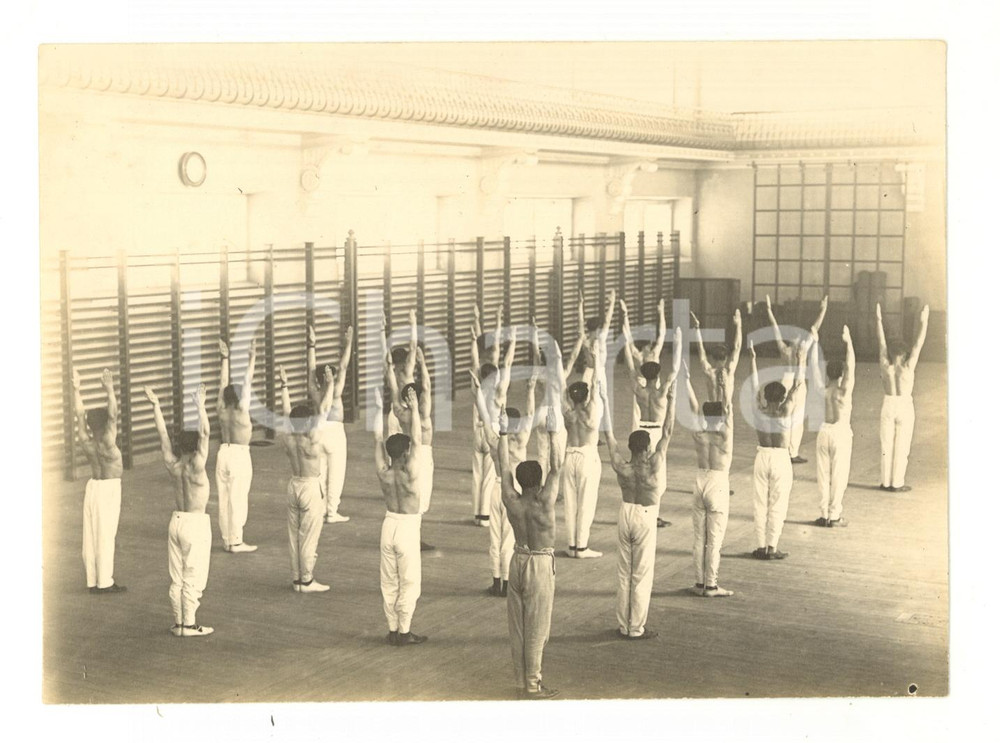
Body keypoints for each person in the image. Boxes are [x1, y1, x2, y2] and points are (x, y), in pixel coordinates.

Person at [600, 374, 676, 639]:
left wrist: (603, 402)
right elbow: (667, 431)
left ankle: (624, 624)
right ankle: (636, 628)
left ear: (631, 447)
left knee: (624, 571)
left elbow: (608, 436)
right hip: (645, 515)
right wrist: (672, 400)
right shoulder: (655, 463)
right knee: (641, 573)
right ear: (648, 447)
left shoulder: (622, 466)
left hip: (625, 512)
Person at [501, 403, 564, 699]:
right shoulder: (545, 502)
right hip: (539, 563)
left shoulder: (512, 501)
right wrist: (552, 432)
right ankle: (533, 684)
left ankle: (520, 680)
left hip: (516, 559)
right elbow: (557, 467)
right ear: (538, 481)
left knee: (518, 626)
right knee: (538, 626)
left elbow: (503, 469)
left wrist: (503, 432)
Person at [471, 338, 539, 597]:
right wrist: (531, 390)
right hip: (514, 491)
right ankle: (508, 582)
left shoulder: (493, 437)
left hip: (496, 489)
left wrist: (478, 390)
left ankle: (496, 580)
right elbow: (531, 414)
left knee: (494, 538)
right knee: (509, 536)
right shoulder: (520, 439)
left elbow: (484, 414)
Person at [145, 384, 214, 636]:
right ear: (195, 446)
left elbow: (162, 435)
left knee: (177, 576)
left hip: (176, 521)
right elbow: (205, 433)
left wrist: (156, 406)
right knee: (194, 574)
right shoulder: (197, 465)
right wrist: (200, 405)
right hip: (195, 524)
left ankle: (179, 622)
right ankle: (189, 624)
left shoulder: (173, 465)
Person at [374, 385, 428, 646]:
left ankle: (393, 629)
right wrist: (415, 408)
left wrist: (378, 410)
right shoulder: (411, 473)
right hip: (407, 528)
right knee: (410, 581)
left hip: (388, 524)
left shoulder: (384, 472)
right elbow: (417, 440)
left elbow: (377, 439)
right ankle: (404, 631)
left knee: (389, 581)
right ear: (406, 452)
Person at [749, 336, 811, 560]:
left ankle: (760, 546)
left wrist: (753, 359)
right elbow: (798, 384)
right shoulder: (786, 411)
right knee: (778, 502)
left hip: (762, 456)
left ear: (765, 397)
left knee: (760, 502)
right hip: (781, 458)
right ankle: (772, 546)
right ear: (783, 397)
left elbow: (755, 386)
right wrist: (801, 359)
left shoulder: (758, 409)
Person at [622, 311, 682, 527]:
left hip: (640, 429)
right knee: (658, 476)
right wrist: (679, 342)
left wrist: (624, 340)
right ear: (657, 375)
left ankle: (642, 506)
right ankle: (652, 513)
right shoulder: (661, 392)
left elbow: (630, 368)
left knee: (638, 468)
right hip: (656, 433)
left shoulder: (639, 389)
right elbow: (675, 369)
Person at [278, 364, 335, 593]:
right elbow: (325, 408)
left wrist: (284, 385)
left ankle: (296, 579)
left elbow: (285, 411)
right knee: (309, 535)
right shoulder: (313, 437)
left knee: (294, 535)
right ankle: (307, 580)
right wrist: (330, 384)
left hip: (294, 485)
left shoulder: (288, 436)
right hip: (311, 487)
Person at [683, 362, 735, 596]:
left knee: (698, 537)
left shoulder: (699, 434)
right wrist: (724, 386)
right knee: (714, 539)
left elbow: (694, 409)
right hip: (718, 483)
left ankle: (698, 583)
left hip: (700, 481)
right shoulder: (725, 434)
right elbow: (729, 409)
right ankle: (711, 585)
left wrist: (686, 381)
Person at [72, 367, 126, 593]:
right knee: (105, 534)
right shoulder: (107, 440)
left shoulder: (86, 440)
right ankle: (105, 582)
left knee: (91, 535)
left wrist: (77, 389)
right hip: (108, 489)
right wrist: (109, 389)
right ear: (105, 424)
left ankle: (93, 580)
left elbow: (80, 414)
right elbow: (113, 414)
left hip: (92, 487)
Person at [765, 294, 827, 463]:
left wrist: (770, 310)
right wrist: (823, 310)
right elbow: (815, 327)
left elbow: (775, 327)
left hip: (786, 380)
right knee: (797, 418)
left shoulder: (784, 348)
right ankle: (792, 453)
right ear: (798, 338)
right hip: (798, 382)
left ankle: (784, 449)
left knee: (785, 414)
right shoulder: (803, 348)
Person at [387, 344, 436, 551]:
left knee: (413, 495)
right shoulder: (422, 415)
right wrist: (423, 363)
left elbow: (393, 388)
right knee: (421, 498)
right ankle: (414, 538)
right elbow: (427, 385)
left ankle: (411, 535)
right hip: (422, 455)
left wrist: (389, 368)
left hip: (409, 454)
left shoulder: (400, 411)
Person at [876, 303, 930, 492]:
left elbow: (881, 342)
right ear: (904, 353)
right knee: (902, 445)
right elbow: (918, 344)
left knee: (886, 444)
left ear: (891, 353)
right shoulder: (908, 367)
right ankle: (897, 483)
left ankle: (885, 482)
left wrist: (879, 319)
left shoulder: (885, 364)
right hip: (904, 405)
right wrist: (925, 321)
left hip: (889, 402)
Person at [560, 338, 605, 559]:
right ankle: (582, 547)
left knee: (570, 502)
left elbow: (560, 384)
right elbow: (596, 385)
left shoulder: (567, 413)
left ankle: (572, 546)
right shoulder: (592, 411)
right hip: (587, 457)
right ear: (586, 396)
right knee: (586, 501)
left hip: (569, 456)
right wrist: (596, 361)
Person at [306, 323, 354, 524]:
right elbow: (343, 366)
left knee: (321, 472)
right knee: (336, 473)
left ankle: (321, 509)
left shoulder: (315, 391)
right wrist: (349, 342)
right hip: (334, 432)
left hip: (318, 432)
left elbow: (310, 369)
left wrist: (312, 345)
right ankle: (332, 512)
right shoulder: (334, 391)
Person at [215, 338, 257, 553]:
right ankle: (237, 541)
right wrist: (252, 357)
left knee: (224, 498)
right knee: (238, 497)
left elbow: (222, 385)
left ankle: (227, 539)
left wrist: (225, 359)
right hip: (240, 455)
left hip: (223, 453)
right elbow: (248, 381)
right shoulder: (242, 409)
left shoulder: (221, 410)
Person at [529, 314, 581, 487]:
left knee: (542, 454)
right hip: (555, 414)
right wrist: (557, 344)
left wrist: (535, 331)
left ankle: (540, 486)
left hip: (541, 414)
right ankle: (554, 487)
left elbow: (535, 352)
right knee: (556, 453)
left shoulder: (539, 372)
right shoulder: (560, 376)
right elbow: (570, 357)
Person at [813, 325, 856, 526]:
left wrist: (814, 344)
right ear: (841, 374)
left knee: (823, 474)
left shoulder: (823, 390)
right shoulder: (843, 391)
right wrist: (849, 343)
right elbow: (852, 367)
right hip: (840, 433)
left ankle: (824, 515)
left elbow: (813, 369)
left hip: (823, 432)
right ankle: (834, 514)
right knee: (839, 474)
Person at [470, 304, 502, 527]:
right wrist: (499, 318)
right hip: (490, 429)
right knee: (490, 473)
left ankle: (477, 513)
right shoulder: (497, 386)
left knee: (477, 473)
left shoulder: (479, 375)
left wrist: (475, 331)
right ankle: (484, 515)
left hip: (477, 427)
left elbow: (476, 351)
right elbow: (499, 347)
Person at [691, 308, 742, 404]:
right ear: (726, 358)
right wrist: (739, 325)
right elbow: (737, 347)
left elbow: (701, 350)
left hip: (712, 413)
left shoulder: (709, 372)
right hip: (726, 413)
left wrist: (697, 329)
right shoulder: (729, 371)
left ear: (712, 359)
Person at [381, 310, 418, 437]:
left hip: (395, 411)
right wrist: (413, 324)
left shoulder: (390, 372)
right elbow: (413, 347)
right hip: (406, 411)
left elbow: (385, 355)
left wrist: (382, 330)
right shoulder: (407, 372)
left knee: (394, 450)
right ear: (403, 361)